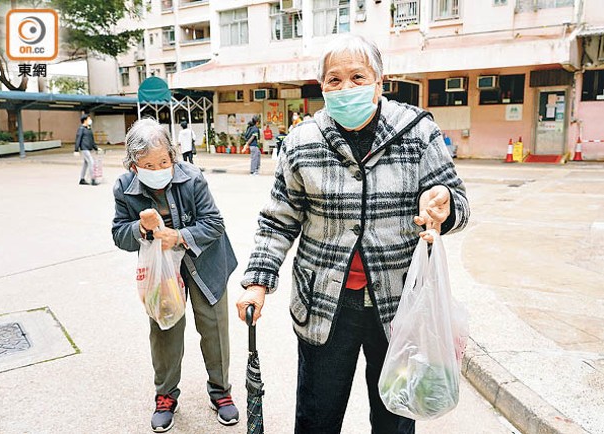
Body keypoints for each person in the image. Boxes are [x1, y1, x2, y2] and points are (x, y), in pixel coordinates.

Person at [235, 34, 470, 434]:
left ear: (380, 83)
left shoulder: (417, 132)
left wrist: (444, 203)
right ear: (322, 86)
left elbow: (458, 204)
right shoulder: (302, 142)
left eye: (358, 77)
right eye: (334, 80)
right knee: (317, 413)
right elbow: (278, 220)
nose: (346, 89)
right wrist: (257, 282)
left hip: (398, 305)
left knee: (395, 414)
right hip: (324, 302)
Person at [112, 118, 240, 433]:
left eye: (163, 161)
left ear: (173, 156)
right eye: (147, 164)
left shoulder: (192, 178)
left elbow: (214, 222)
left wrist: (179, 236)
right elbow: (119, 233)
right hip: (162, 273)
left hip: (205, 261)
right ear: (133, 165)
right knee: (165, 329)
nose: (157, 168)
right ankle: (165, 396)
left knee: (214, 328)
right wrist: (140, 227)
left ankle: (221, 391)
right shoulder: (124, 189)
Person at [74, 113, 99, 185]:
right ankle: (93, 179)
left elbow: (92, 140)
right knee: (91, 162)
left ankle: (82, 179)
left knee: (85, 164)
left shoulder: (88, 129)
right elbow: (78, 139)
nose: (90, 120)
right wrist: (76, 149)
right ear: (85, 120)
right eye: (88, 119)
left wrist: (96, 148)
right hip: (84, 149)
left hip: (88, 149)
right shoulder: (81, 129)